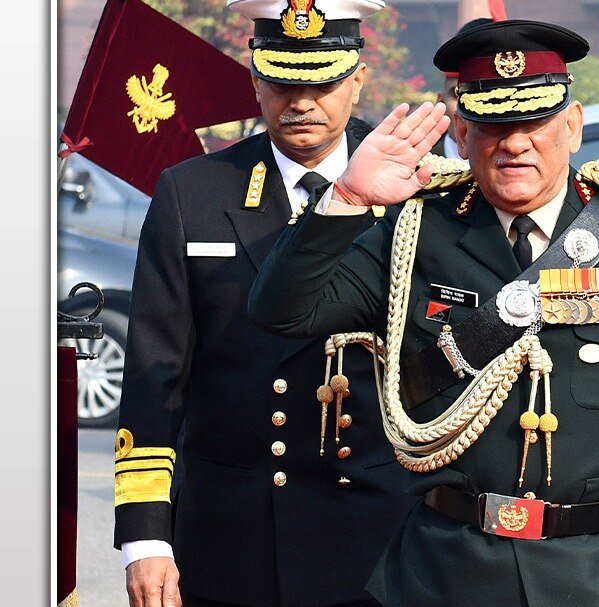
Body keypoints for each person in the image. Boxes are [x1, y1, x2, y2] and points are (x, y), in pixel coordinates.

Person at [249, 18, 599, 607]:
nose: (515, 143)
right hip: (447, 571)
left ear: (573, 126)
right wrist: (348, 200)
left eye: (535, 122)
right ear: (460, 132)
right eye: (492, 124)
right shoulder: (417, 228)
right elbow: (284, 312)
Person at [112, 1, 416, 605]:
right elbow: (155, 372)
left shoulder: (418, 186)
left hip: (377, 534)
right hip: (233, 534)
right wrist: (146, 539)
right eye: (281, 82)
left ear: (358, 77)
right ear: (254, 79)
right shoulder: (192, 192)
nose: (300, 102)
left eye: (322, 82)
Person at [431, 17, 494, 161]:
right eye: (458, 94)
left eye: (484, 95)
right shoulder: (415, 171)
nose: (470, 106)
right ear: (440, 104)